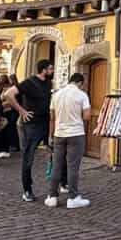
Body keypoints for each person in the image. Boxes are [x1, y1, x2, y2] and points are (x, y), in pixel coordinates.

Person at [6, 59, 54, 202]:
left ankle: (59, 182)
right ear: (43, 70)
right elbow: (9, 94)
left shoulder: (48, 83)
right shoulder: (29, 82)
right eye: (51, 69)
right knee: (28, 157)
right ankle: (27, 189)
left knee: (55, 150)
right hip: (32, 125)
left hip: (46, 123)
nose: (52, 71)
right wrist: (22, 111)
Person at [45, 73, 91, 209]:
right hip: (76, 134)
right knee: (73, 166)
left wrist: (51, 135)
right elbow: (87, 116)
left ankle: (52, 196)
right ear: (80, 83)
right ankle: (73, 197)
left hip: (59, 133)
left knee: (56, 165)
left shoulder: (56, 94)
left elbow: (52, 117)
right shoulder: (82, 95)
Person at [0, 74, 19, 158]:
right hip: (4, 111)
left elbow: (10, 101)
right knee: (5, 130)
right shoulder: (3, 89)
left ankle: (6, 148)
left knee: (6, 130)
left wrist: (1, 104)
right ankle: (3, 148)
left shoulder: (8, 90)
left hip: (8, 111)